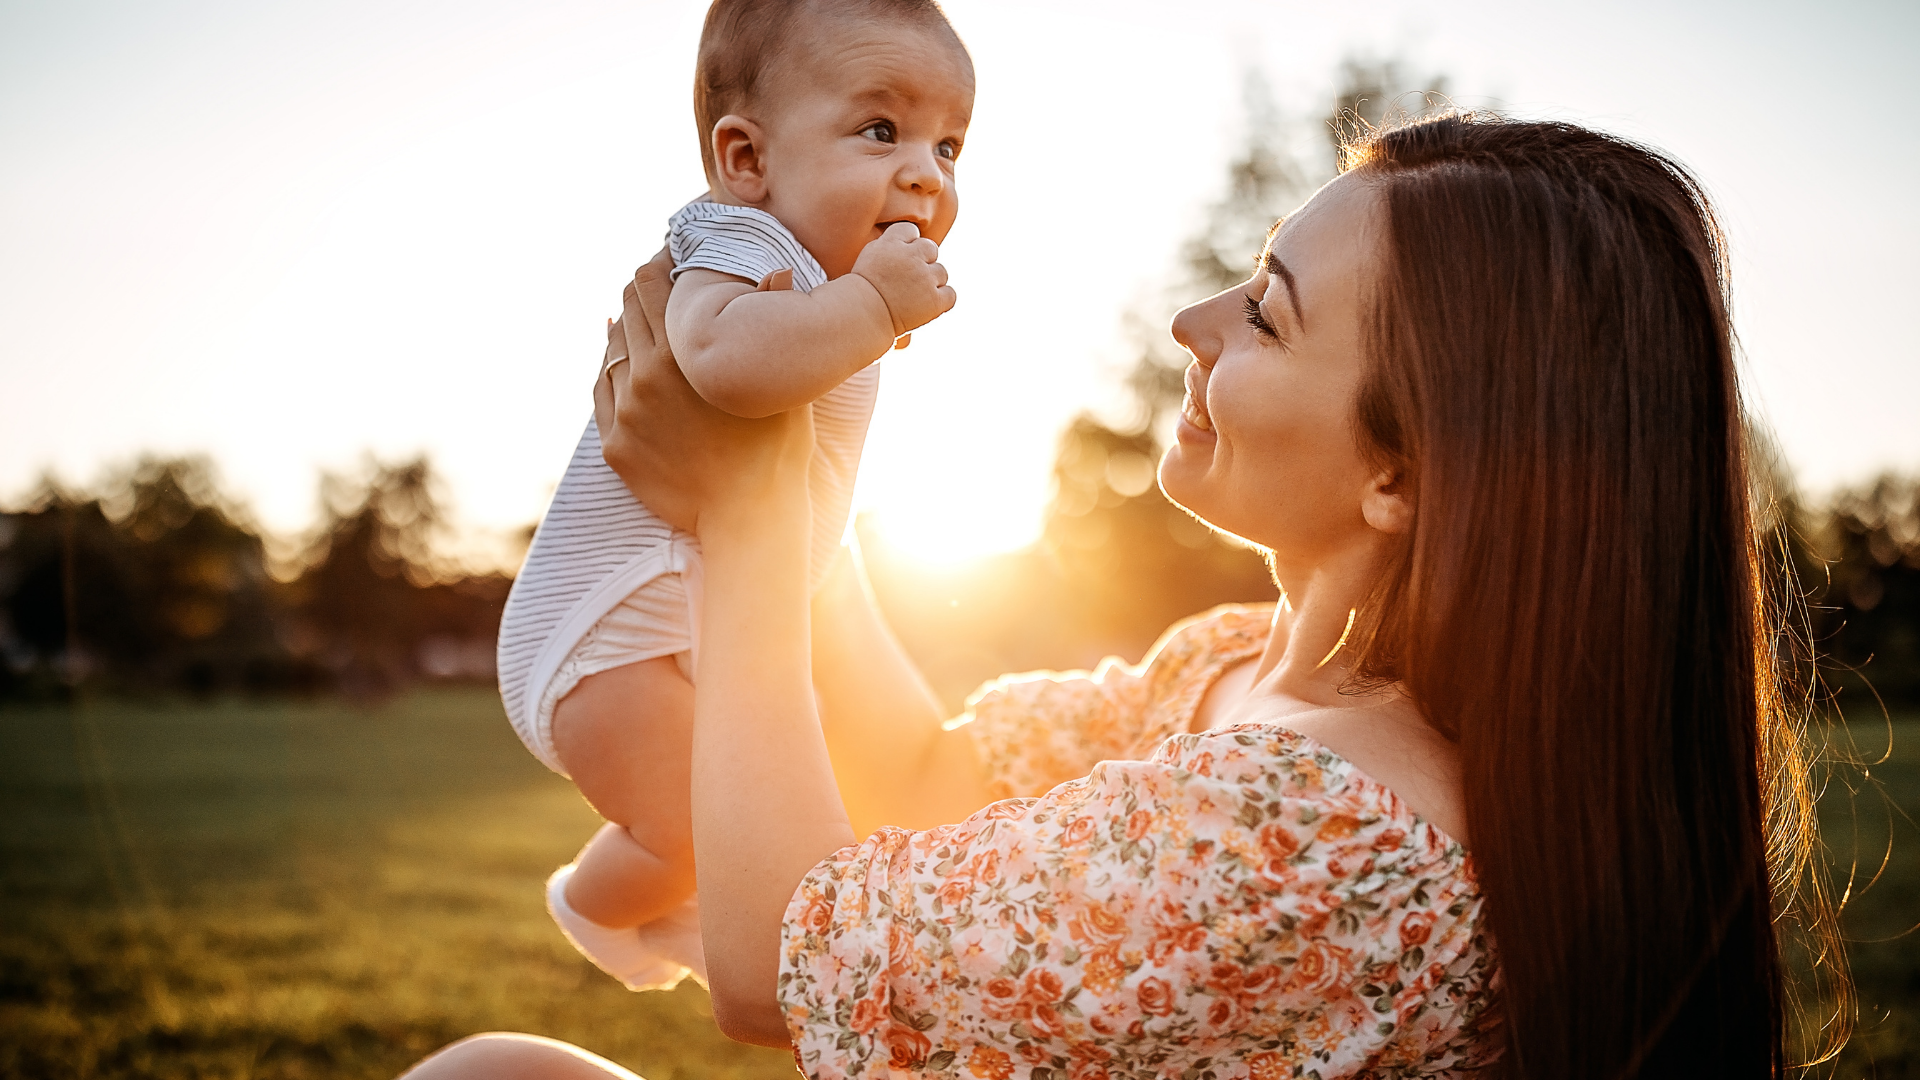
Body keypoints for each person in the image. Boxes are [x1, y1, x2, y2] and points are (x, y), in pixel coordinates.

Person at [408, 113, 1845, 1079]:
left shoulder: (1323, 828)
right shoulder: (1236, 673)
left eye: (1267, 311)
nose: (1192, 322)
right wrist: (779, 449)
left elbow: (777, 957)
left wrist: (744, 530)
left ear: (1402, 477)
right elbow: (927, 774)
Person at [493, 0, 970, 991]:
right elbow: (713, 359)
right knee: (695, 829)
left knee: (741, 817)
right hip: (599, 637)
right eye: (882, 130)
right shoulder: (738, 242)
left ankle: (687, 903)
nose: (926, 171)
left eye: (950, 144)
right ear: (747, 160)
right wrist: (874, 307)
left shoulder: (819, 283)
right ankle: (592, 904)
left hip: (677, 619)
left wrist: (859, 310)